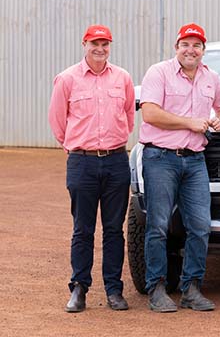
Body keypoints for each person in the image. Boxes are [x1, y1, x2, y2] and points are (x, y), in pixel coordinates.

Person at [139, 23, 220, 312]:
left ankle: (191, 288)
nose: (190, 50)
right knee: (157, 225)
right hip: (161, 159)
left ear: (203, 50)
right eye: (185, 44)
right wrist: (189, 122)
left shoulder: (211, 77)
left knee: (201, 226)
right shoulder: (159, 72)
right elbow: (150, 112)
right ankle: (156, 288)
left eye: (196, 45)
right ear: (176, 47)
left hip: (194, 161)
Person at [48, 25, 135, 312]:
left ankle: (114, 290)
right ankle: (79, 288)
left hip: (116, 160)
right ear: (84, 43)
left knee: (114, 229)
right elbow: (58, 121)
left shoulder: (122, 78)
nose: (100, 49)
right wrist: (75, 147)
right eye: (95, 43)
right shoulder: (67, 79)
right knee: (82, 229)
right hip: (82, 161)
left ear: (110, 46)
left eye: (105, 44)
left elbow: (128, 119)